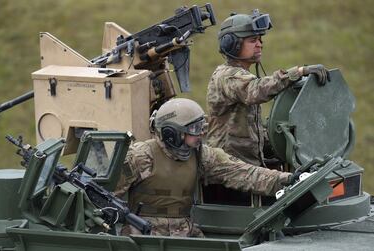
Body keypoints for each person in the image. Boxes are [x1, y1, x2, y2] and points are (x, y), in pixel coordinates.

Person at [115, 98, 292, 237]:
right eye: (194, 128)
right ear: (172, 133)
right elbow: (105, 194)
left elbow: (244, 173)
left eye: (201, 127)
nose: (201, 133)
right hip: (141, 234)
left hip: (184, 232)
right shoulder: (139, 156)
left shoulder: (201, 155)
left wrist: (287, 180)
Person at [207, 9, 329, 167]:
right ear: (233, 45)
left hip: (248, 163)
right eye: (252, 40)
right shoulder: (226, 76)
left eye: (259, 39)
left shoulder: (241, 74)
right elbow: (256, 90)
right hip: (229, 168)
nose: (259, 45)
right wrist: (298, 72)